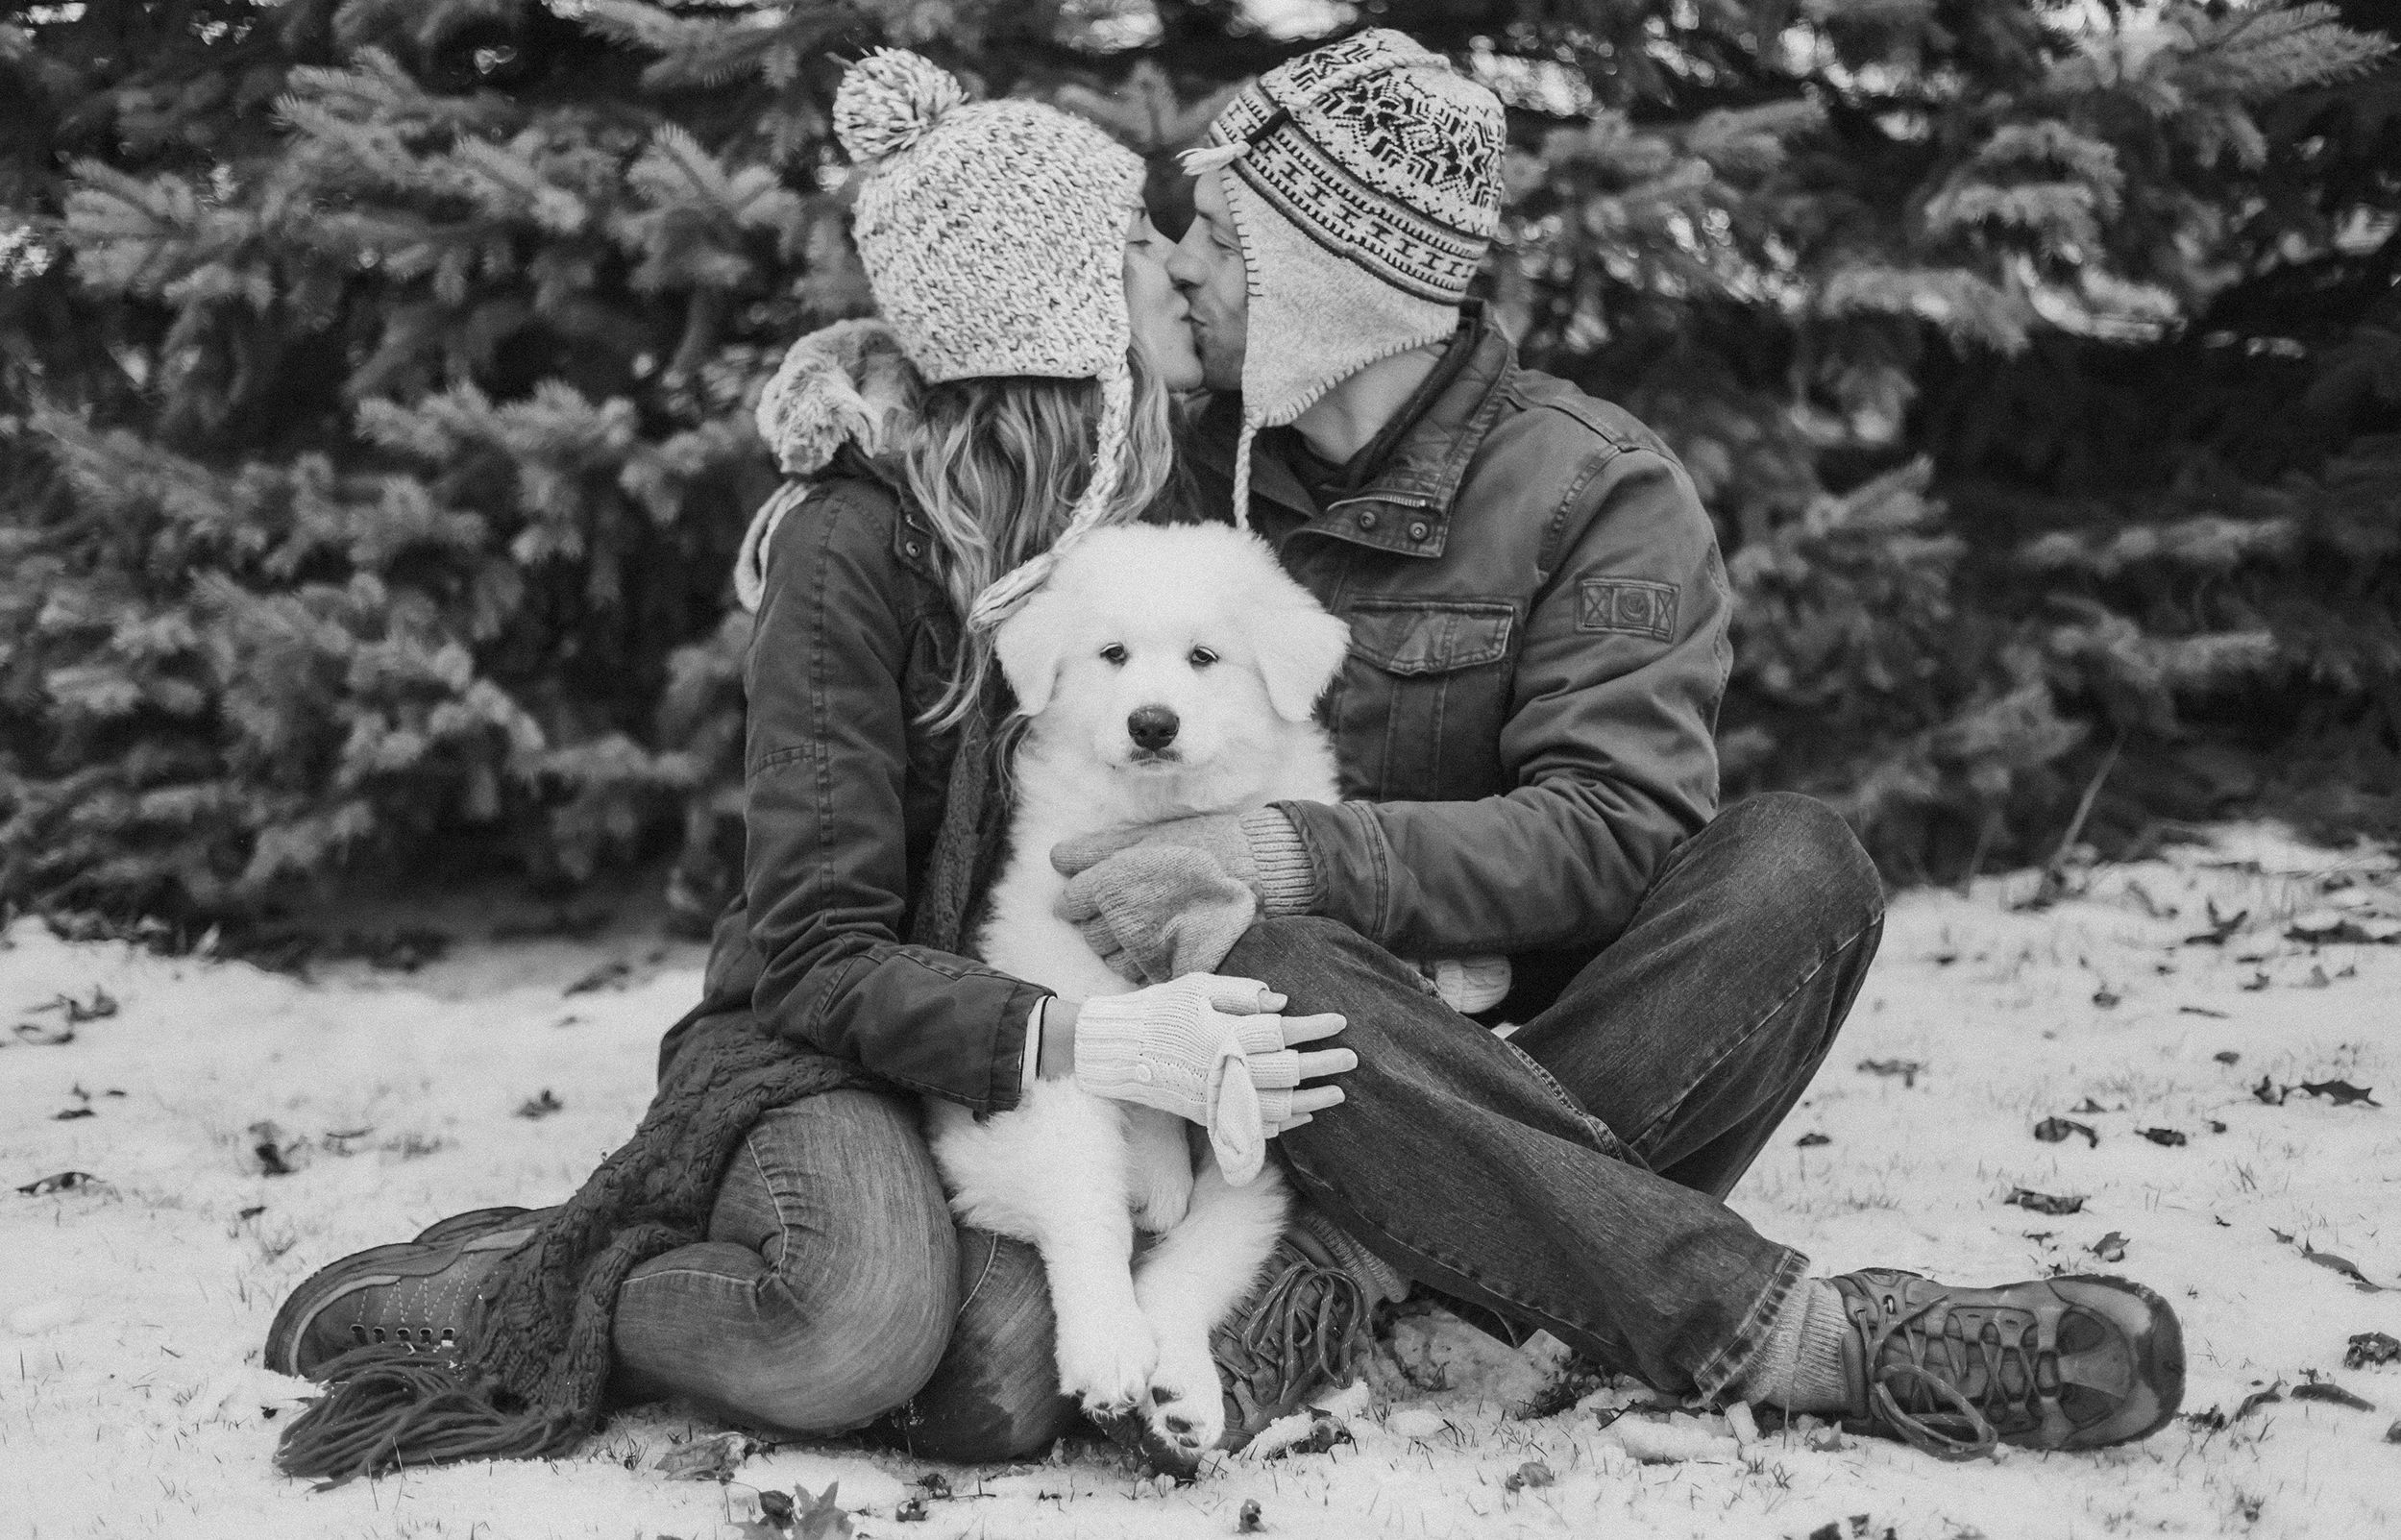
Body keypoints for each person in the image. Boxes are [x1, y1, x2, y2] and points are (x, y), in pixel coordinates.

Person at [1048, 29, 2186, 1458]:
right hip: (1264, 1064)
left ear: (1318, 284)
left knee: (1798, 867)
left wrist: (1293, 853)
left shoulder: (1593, 489)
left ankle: (1353, 1262)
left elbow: (1613, 831)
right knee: (1272, 961)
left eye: (1218, 238)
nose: (1178, 267)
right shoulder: (1162, 472)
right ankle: (1820, 1339)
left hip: (1519, 1029)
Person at [262, 51, 1359, 1482]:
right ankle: (501, 1285)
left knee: (1000, 1391)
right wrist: (1081, 1038)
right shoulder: (848, 549)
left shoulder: (1143, 515)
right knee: (848, 1330)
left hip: (1013, 1084)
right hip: (826, 1047)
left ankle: (840, 1279)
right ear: (1064, 317)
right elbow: (812, 952)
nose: (1178, 269)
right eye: (1140, 247)